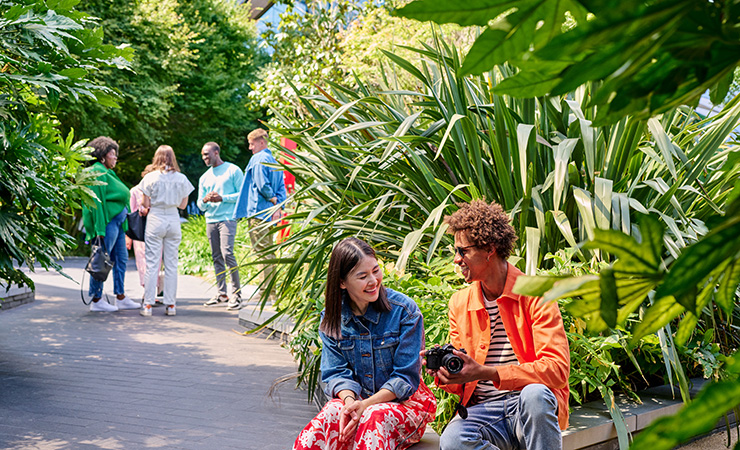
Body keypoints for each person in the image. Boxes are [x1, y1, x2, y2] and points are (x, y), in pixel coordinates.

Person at [423, 200, 570, 450]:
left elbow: (556, 370)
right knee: (452, 440)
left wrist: (487, 372)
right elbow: (462, 384)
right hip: (484, 413)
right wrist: (447, 375)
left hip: (528, 406)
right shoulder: (459, 303)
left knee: (535, 395)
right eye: (455, 251)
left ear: (489, 249)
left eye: (462, 251)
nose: (456, 260)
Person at [293, 237, 436, 450]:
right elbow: (336, 373)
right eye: (362, 276)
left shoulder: (405, 311)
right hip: (358, 401)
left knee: (373, 417)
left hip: (405, 404)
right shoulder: (332, 318)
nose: (373, 281)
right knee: (326, 420)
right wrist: (350, 404)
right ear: (342, 282)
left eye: (376, 271)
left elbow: (405, 378)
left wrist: (365, 405)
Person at [81, 136, 140, 312]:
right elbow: (96, 203)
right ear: (102, 156)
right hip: (107, 224)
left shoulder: (108, 172)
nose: (115, 158)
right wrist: (100, 229)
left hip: (118, 225)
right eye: (112, 154)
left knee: (120, 260)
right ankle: (97, 299)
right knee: (102, 261)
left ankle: (120, 296)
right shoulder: (95, 172)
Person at [138, 145, 194, 317]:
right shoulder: (182, 179)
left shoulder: (150, 178)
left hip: (156, 218)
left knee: (152, 264)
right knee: (171, 264)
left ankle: (148, 305)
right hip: (173, 218)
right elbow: (183, 205)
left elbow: (146, 204)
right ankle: (171, 305)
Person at [233, 128, 287, 304]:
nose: (250, 148)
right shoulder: (274, 161)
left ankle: (267, 293)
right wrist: (278, 205)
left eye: (252, 143)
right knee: (268, 252)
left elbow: (262, 184)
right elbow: (282, 188)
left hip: (258, 212)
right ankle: (269, 292)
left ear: (261, 142)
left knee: (263, 253)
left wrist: (271, 199)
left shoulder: (258, 159)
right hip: (270, 212)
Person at [197, 142, 244, 310]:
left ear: (216, 152)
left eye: (207, 154)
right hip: (211, 219)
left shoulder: (233, 170)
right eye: (203, 155)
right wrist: (206, 200)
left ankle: (236, 295)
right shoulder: (204, 177)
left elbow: (242, 194)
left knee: (227, 254)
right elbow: (200, 205)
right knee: (216, 256)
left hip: (227, 219)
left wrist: (222, 198)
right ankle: (221, 293)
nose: (204, 158)